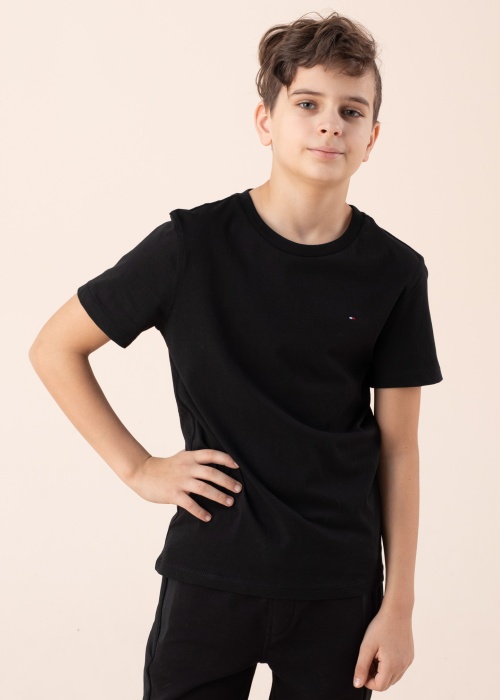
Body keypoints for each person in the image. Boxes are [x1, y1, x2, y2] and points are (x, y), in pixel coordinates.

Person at [29, 9, 443, 700]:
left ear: (372, 137)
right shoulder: (190, 247)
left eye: (351, 110)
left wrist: (398, 606)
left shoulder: (395, 272)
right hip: (210, 577)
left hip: (339, 590)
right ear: (265, 121)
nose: (329, 124)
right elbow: (55, 347)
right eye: (307, 104)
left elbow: (400, 448)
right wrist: (138, 468)